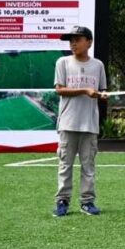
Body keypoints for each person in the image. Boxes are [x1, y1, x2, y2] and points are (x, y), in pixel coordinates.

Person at [52, 26, 108, 217]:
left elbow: (101, 91)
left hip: (90, 124)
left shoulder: (98, 65)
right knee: (65, 165)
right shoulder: (63, 62)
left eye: (78, 39)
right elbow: (59, 89)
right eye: (71, 40)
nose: (73, 43)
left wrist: (102, 95)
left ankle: (87, 201)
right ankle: (62, 201)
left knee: (88, 166)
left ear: (89, 42)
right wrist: (85, 90)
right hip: (68, 123)